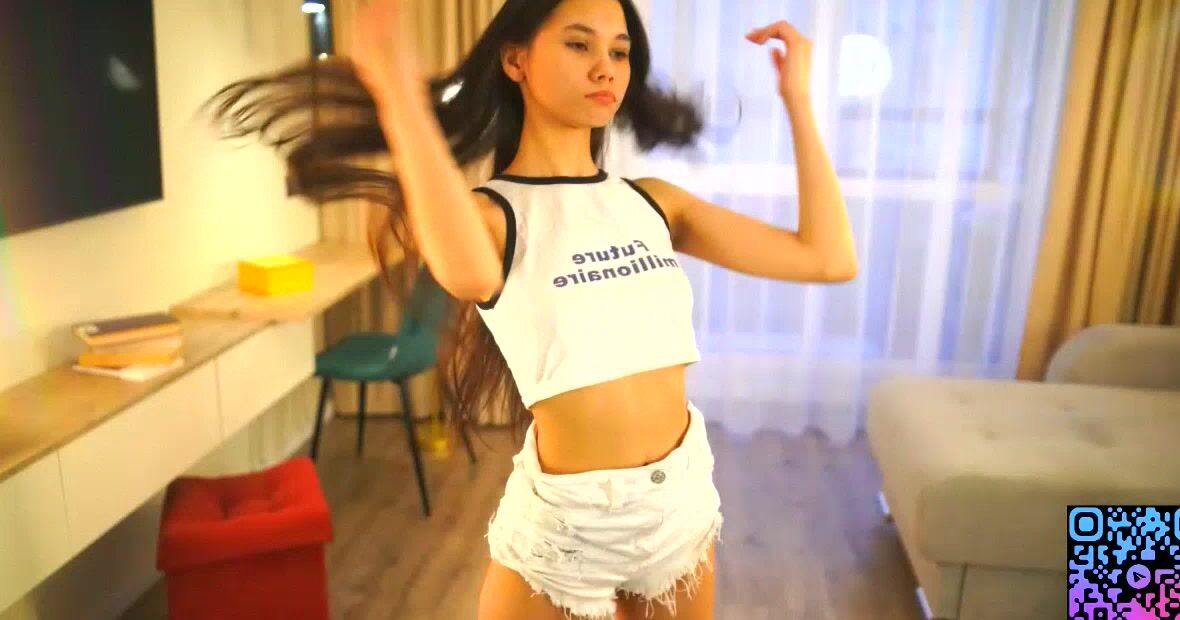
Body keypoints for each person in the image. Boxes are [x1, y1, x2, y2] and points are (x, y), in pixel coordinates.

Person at [208, 0, 856, 618]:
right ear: (516, 59)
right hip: (568, 532)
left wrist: (797, 99)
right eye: (579, 44)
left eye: (620, 52)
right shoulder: (492, 215)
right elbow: (464, 273)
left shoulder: (655, 203)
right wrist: (394, 88)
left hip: (679, 500)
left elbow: (827, 258)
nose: (606, 68)